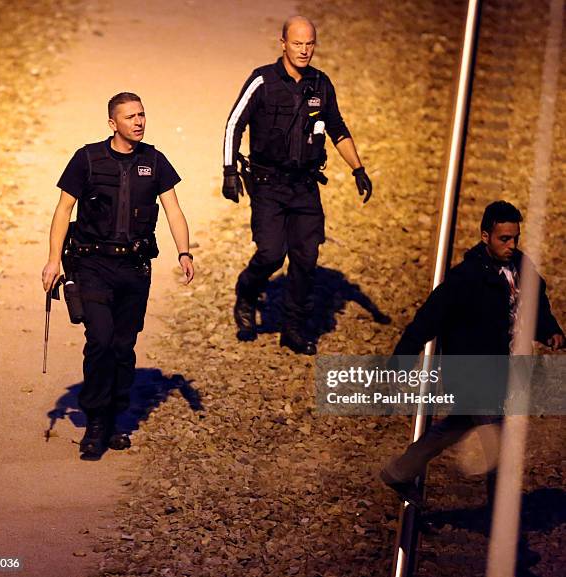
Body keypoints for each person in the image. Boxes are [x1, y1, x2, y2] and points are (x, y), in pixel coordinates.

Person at [380, 200, 564, 508]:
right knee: (501, 439)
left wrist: (550, 331)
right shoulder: (464, 279)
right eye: (504, 238)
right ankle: (500, 514)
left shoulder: (520, 267)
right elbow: (425, 321)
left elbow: (535, 306)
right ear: (485, 236)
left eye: (515, 237)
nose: (511, 245)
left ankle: (398, 471)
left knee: (455, 426)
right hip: (472, 374)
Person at [42, 92, 194, 459]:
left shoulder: (154, 161)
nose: (139, 122)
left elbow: (173, 209)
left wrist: (184, 251)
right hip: (92, 265)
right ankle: (95, 423)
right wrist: (52, 262)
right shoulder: (87, 159)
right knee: (101, 340)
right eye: (130, 117)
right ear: (113, 124)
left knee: (124, 347)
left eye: (142, 115)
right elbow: (64, 210)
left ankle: (114, 418)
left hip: (134, 269)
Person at [222, 15, 373, 355]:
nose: (304, 50)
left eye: (310, 44)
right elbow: (234, 124)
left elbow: (337, 128)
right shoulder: (262, 80)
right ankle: (247, 292)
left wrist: (358, 169)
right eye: (297, 43)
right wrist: (229, 170)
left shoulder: (321, 84)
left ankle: (293, 328)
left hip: (305, 186)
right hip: (267, 184)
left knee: (306, 259)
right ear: (284, 44)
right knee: (272, 253)